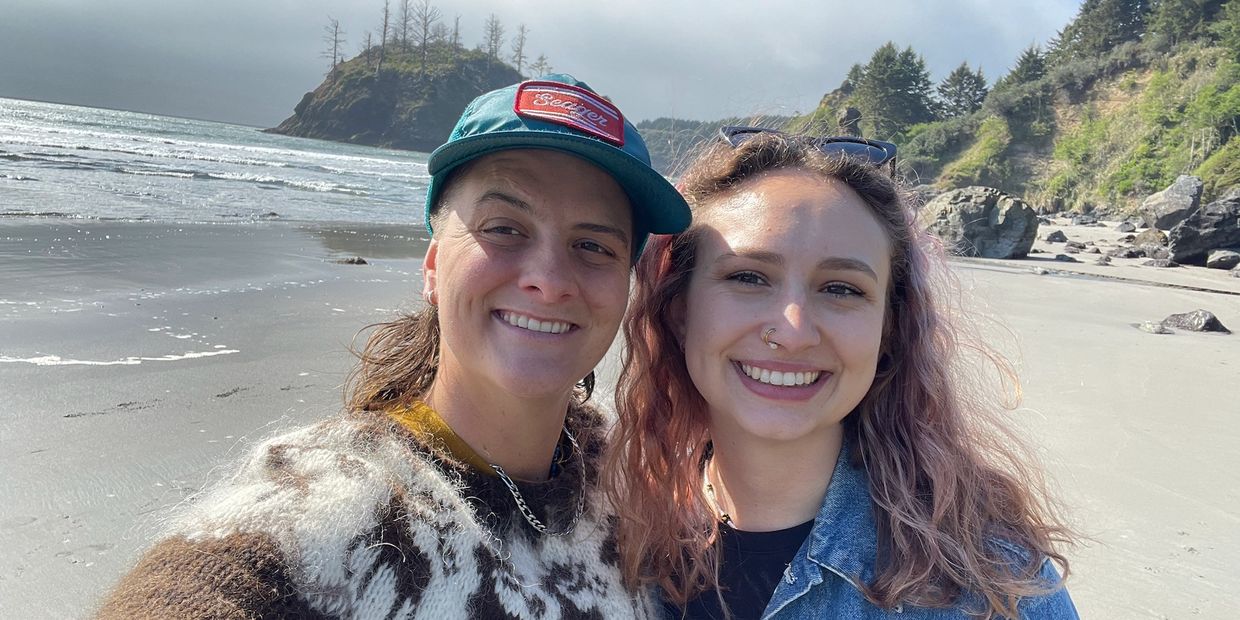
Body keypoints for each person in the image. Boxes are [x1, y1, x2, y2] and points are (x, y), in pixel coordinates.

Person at [97, 74, 690, 619]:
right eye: (504, 228)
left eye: (593, 246)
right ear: (433, 267)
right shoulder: (331, 506)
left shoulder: (635, 484)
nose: (550, 278)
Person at [605, 127, 1077, 619]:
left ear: (890, 328)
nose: (793, 331)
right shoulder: (615, 533)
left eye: (841, 288)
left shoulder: (990, 585)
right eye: (748, 277)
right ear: (680, 311)